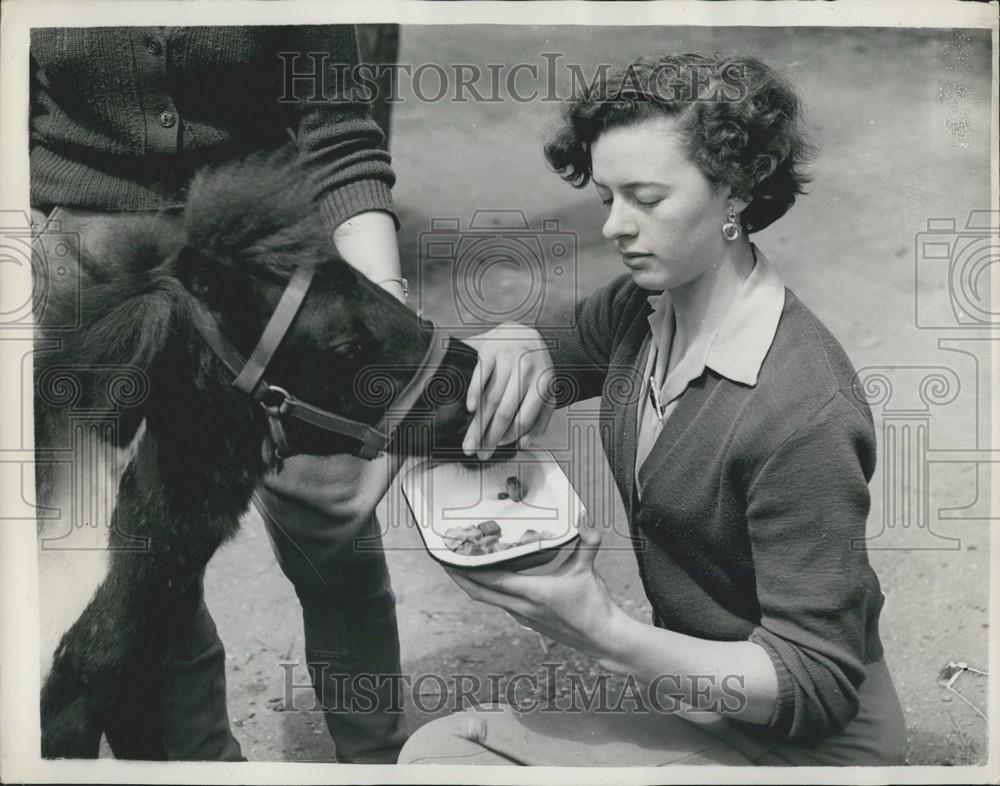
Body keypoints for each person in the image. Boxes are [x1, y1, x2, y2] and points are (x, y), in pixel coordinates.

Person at [399, 53, 908, 766]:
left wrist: (603, 631)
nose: (613, 226)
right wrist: (518, 340)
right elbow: (558, 346)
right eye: (607, 197)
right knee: (447, 747)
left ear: (735, 192)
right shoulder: (646, 308)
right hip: (692, 692)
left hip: (810, 742)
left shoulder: (802, 408)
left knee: (451, 761)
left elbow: (816, 681)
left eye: (646, 198)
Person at [31, 25, 408, 762]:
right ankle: (202, 765)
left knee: (330, 516)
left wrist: (385, 301)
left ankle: (379, 759)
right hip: (92, 253)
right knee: (141, 555)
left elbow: (337, 133)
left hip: (264, 243)